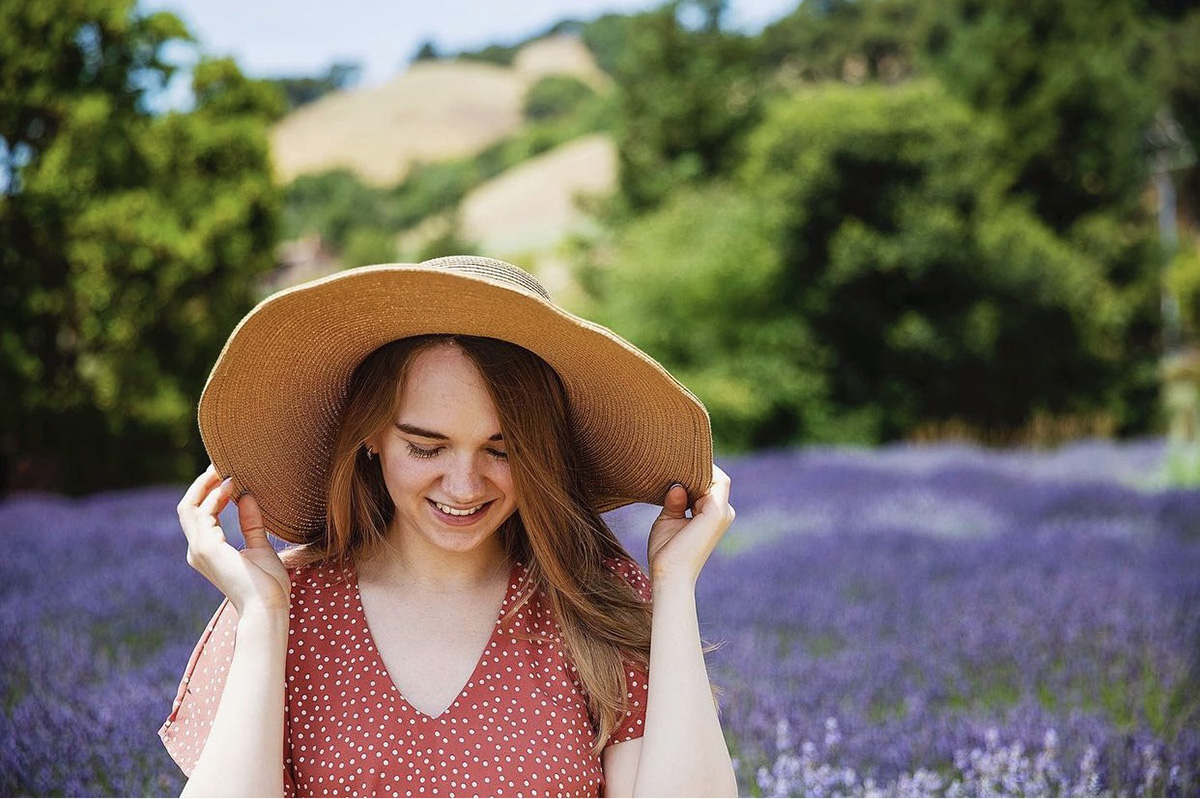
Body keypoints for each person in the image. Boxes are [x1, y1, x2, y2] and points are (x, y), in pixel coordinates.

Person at [161, 255, 737, 797]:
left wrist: (674, 585)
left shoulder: (595, 606)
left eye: (502, 450)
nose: (464, 486)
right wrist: (262, 618)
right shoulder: (283, 606)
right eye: (426, 447)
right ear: (371, 435)